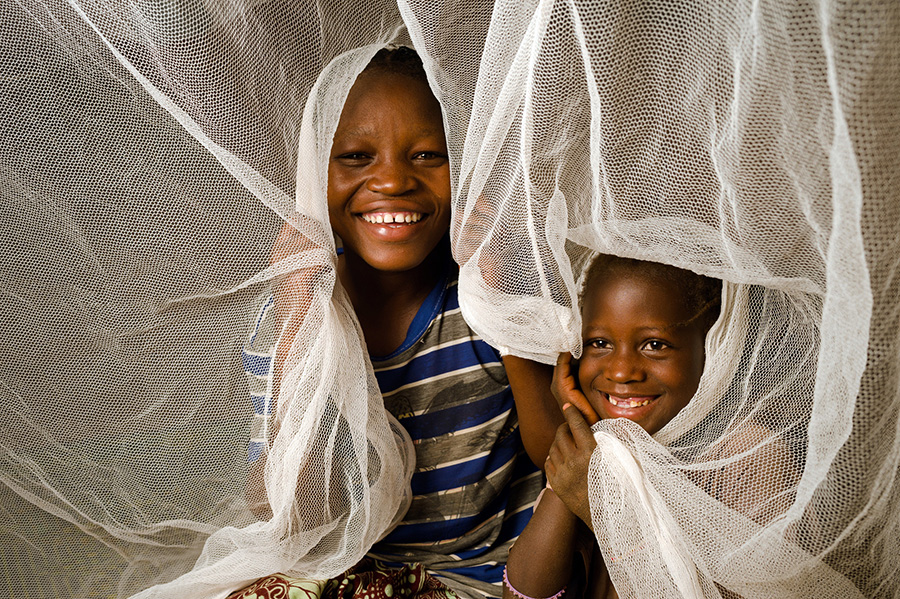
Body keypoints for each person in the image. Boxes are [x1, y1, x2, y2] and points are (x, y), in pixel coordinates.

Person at [235, 45, 563, 599]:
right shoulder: (291, 314)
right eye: (357, 157)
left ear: (466, 168)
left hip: (481, 575)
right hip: (352, 574)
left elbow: (560, 457)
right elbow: (284, 515)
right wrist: (299, 325)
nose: (392, 181)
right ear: (315, 175)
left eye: (428, 156)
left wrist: (503, 299)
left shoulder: (482, 298)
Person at [502, 254, 794, 599]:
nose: (622, 371)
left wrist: (601, 508)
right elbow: (524, 594)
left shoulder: (744, 458)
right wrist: (575, 431)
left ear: (714, 350)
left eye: (655, 345)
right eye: (599, 343)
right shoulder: (597, 449)